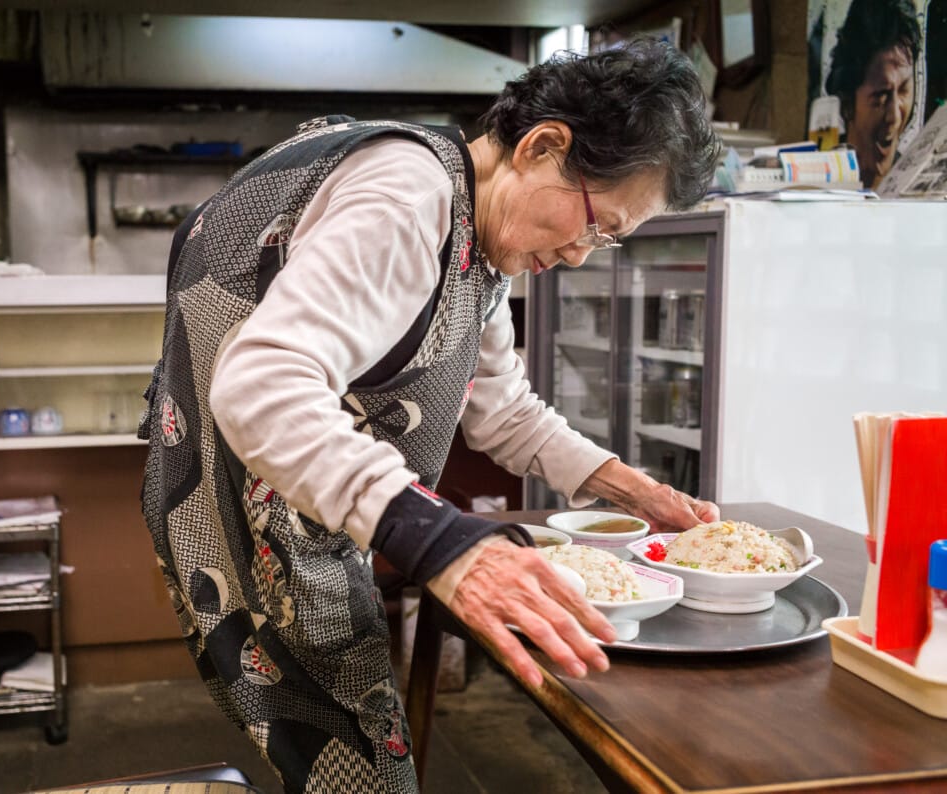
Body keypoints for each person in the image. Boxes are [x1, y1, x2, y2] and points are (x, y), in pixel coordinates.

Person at [140, 37, 721, 793]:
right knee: (361, 770)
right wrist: (444, 544)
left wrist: (628, 489)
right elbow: (262, 384)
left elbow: (499, 405)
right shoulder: (407, 196)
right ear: (544, 145)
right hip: (243, 501)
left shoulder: (478, 229)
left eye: (608, 241)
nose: (583, 254)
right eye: (596, 223)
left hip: (299, 499)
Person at [825, 0, 922, 188]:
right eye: (881, 95)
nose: (894, 116)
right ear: (847, 105)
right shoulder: (818, 178)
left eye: (904, 90)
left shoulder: (913, 182)